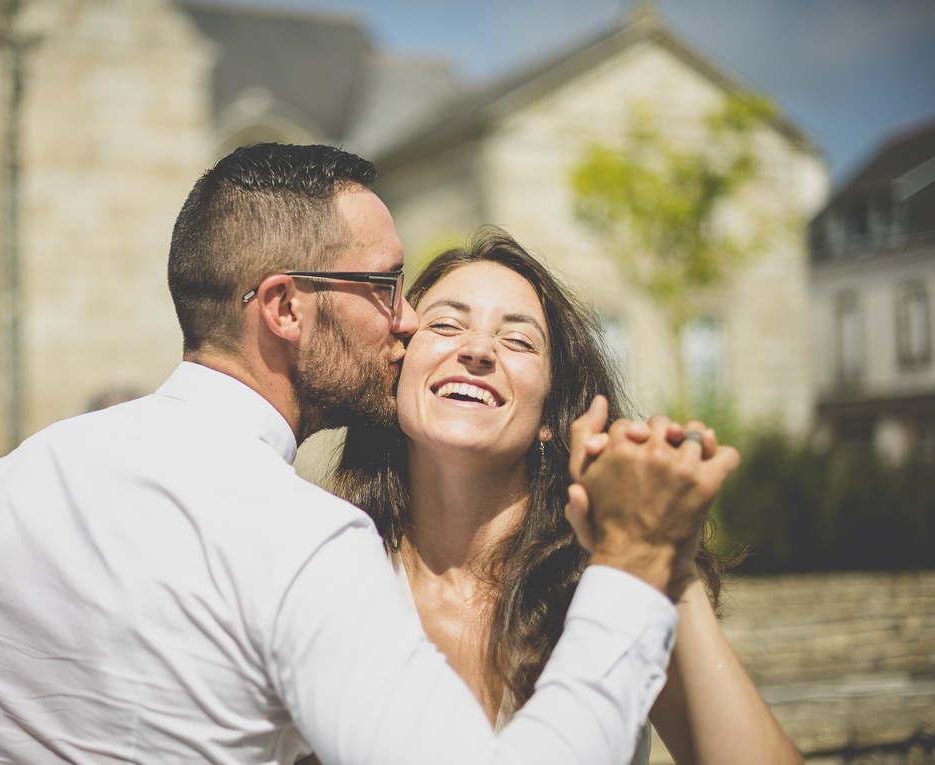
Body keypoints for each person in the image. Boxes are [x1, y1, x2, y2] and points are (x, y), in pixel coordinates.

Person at [0, 144, 737, 765]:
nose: (409, 318)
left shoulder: (3, 486)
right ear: (285, 309)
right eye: (385, 286)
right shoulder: (305, 538)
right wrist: (629, 566)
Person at [331, 229, 801, 765]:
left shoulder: (606, 582)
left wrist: (667, 561)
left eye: (518, 340)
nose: (478, 349)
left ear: (550, 416)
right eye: (445, 324)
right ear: (397, 371)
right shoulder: (331, 569)